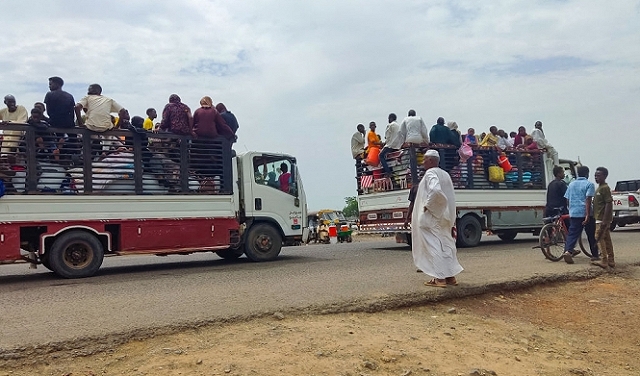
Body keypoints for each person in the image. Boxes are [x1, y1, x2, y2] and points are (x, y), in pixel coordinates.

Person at [411, 149, 463, 287]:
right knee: (445, 244)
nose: (423, 162)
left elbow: (435, 190)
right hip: (445, 216)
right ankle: (450, 276)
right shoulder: (445, 174)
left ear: (431, 160)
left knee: (433, 245)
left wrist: (428, 206)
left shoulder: (431, 173)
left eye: (425, 159)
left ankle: (439, 279)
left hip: (433, 216)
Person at [562, 166, 599, 264]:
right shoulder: (589, 184)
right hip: (586, 213)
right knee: (591, 235)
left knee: (572, 234)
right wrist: (587, 215)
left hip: (574, 213)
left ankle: (568, 251)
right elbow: (588, 200)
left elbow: (567, 199)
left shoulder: (571, 184)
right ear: (587, 174)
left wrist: (571, 210)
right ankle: (595, 255)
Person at [591, 167, 615, 269]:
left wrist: (605, 220)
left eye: (599, 175)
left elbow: (608, 203)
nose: (596, 178)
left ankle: (604, 259)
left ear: (605, 176)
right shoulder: (599, 188)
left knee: (598, 237)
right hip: (599, 217)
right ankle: (611, 259)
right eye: (595, 176)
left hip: (602, 218)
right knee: (606, 238)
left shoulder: (604, 188)